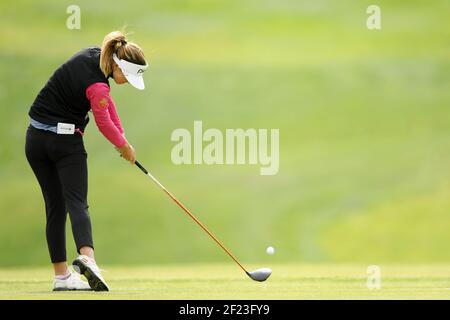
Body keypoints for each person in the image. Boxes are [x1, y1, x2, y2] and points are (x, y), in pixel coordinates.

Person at [25, 31, 148, 291]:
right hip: (64, 143)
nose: (126, 82)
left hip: (35, 140)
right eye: (128, 76)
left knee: (55, 207)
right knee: (77, 202)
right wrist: (123, 146)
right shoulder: (98, 85)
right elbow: (103, 122)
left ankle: (61, 277)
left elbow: (107, 105)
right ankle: (88, 259)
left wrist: (123, 138)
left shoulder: (95, 56)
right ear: (118, 65)